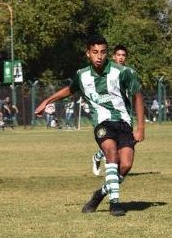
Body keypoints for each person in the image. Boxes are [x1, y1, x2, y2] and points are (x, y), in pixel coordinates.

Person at [35, 35, 145, 217]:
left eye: (103, 52)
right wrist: (47, 100)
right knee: (111, 153)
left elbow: (138, 95)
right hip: (102, 123)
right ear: (88, 53)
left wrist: (140, 128)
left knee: (125, 165)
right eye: (95, 52)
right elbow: (70, 89)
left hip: (124, 123)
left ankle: (100, 194)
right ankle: (115, 203)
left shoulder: (123, 72)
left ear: (107, 53)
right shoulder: (82, 75)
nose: (99, 56)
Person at [92, 44, 131, 175]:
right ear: (113, 56)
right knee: (113, 143)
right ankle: (100, 159)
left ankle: (99, 157)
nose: (121, 58)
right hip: (110, 116)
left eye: (123, 55)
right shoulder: (108, 73)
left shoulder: (128, 72)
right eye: (118, 55)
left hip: (126, 114)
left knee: (127, 142)